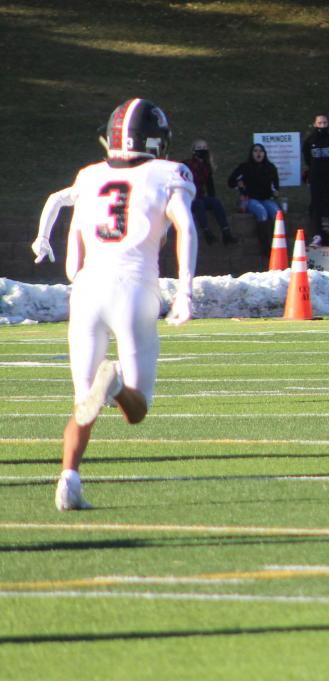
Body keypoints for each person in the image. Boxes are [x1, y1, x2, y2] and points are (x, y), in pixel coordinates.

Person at [30, 98, 197, 511]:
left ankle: (68, 480)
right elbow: (186, 227)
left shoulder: (89, 175)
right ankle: (117, 384)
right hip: (133, 290)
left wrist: (49, 244)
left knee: (83, 402)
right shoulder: (168, 173)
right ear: (157, 140)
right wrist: (186, 290)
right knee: (136, 409)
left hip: (86, 292)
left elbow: (67, 220)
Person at [228, 142, 282, 254]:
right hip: (250, 198)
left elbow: (275, 186)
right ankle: (265, 247)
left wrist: (275, 192)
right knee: (261, 212)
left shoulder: (270, 167)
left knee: (277, 214)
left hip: (266, 198)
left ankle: (279, 245)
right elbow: (230, 182)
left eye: (261, 151)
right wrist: (238, 183)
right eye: (255, 151)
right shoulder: (244, 167)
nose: (258, 154)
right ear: (251, 153)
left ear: (264, 154)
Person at [303, 113, 329, 247]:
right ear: (315, 124)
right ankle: (317, 235)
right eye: (320, 123)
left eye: (325, 123)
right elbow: (307, 157)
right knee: (316, 205)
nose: (322, 125)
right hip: (316, 176)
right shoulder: (310, 140)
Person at [185, 139, 236, 245]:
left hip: (200, 196)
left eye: (204, 148)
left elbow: (210, 186)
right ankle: (206, 232)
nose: (202, 150)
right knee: (199, 204)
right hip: (190, 197)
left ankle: (226, 232)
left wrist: (211, 197)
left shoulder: (207, 166)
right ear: (193, 150)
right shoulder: (188, 164)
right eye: (199, 148)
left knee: (215, 202)